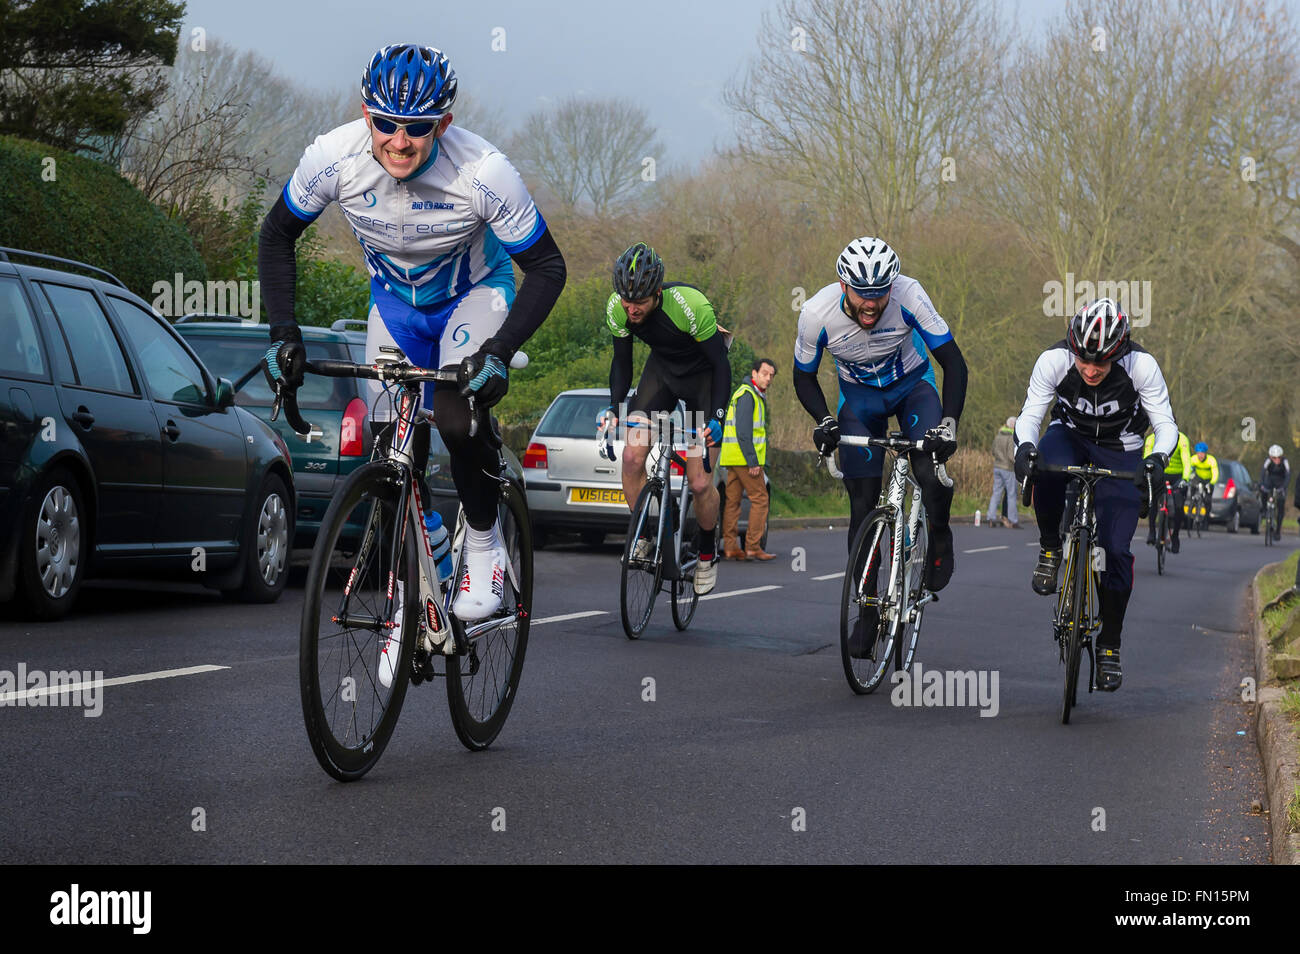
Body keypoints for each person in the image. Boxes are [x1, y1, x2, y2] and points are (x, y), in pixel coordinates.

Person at [259, 44, 566, 620]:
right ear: (364, 112)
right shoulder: (333, 156)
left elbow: (548, 268)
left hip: (472, 295)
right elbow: (276, 236)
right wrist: (284, 334)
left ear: (444, 123)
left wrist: (499, 353)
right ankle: (425, 567)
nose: (399, 141)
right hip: (397, 306)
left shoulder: (483, 171)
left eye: (418, 127)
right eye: (385, 124)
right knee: (388, 434)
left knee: (454, 412)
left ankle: (483, 544)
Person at [792, 236, 967, 656]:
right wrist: (825, 421)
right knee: (862, 503)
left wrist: (948, 424)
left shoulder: (909, 293)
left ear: (893, 284)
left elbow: (954, 363)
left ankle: (939, 533)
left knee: (927, 473)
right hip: (860, 402)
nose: (871, 304)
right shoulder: (816, 313)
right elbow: (803, 376)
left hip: (913, 390)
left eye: (879, 294)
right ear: (842, 285)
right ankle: (869, 610)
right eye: (862, 294)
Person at [1014, 298, 1178, 691]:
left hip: (1122, 447)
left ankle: (1109, 643)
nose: (1089, 370)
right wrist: (1024, 446)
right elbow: (1032, 413)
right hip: (1069, 435)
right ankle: (1051, 547)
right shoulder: (1053, 359)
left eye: (1100, 364)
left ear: (1118, 353)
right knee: (1046, 469)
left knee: (1117, 551)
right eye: (1083, 360)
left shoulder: (1142, 366)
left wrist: (1156, 459)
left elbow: (1165, 425)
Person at [600, 243, 730, 595]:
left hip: (703, 380)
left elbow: (721, 365)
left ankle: (706, 552)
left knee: (701, 482)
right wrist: (614, 405)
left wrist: (717, 415)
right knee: (631, 457)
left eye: (639, 300)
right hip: (662, 375)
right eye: (626, 299)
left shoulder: (691, 306)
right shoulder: (618, 308)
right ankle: (643, 535)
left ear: (657, 292)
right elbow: (622, 362)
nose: (631, 307)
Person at [721, 358, 776, 560]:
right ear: (754, 373)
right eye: (764, 373)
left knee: (733, 502)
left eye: (771, 375)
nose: (768, 378)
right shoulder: (748, 395)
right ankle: (753, 546)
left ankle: (730, 547)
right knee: (761, 499)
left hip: (733, 457)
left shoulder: (747, 394)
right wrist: (753, 461)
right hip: (745, 459)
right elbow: (743, 432)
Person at [1142, 428, 1191, 552]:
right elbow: (1147, 457)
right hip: (1159, 474)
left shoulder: (1182, 439)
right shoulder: (1151, 439)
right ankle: (1152, 531)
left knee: (1179, 508)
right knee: (1152, 501)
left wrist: (1185, 479)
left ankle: (1175, 536)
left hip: (1177, 477)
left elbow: (1186, 461)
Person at [988, 416, 1019, 529]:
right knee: (1011, 494)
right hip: (1008, 468)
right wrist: (1018, 463)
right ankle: (1013, 520)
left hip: (997, 467)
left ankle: (991, 517)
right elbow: (1011, 456)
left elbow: (993, 451)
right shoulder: (1011, 437)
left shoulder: (998, 435)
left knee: (996, 493)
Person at [1259, 444, 1291, 537]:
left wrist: (1284, 487)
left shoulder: (1285, 462)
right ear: (1270, 457)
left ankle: (1278, 530)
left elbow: (1288, 475)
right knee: (1263, 491)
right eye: (1274, 458)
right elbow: (1262, 472)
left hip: (1281, 482)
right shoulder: (1268, 461)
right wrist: (1261, 484)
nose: (1276, 460)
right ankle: (1265, 510)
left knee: (1281, 504)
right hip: (1270, 480)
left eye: (1278, 458)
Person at [1188, 441, 1218, 527]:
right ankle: (1190, 518)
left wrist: (1212, 483)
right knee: (1192, 497)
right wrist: (1188, 477)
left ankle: (1206, 522)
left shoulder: (1211, 460)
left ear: (1205, 453)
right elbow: (1188, 469)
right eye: (1198, 453)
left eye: (1202, 453)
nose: (1200, 456)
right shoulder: (1193, 459)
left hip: (1208, 480)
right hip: (1198, 478)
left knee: (1207, 501)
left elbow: (1215, 473)